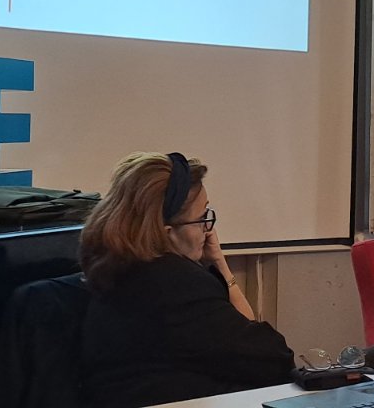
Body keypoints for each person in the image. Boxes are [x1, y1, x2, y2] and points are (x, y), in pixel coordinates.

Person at [78, 151, 293, 407]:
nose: (208, 229)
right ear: (167, 232)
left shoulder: (117, 267)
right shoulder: (175, 285)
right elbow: (273, 358)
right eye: (202, 218)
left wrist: (218, 262)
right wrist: (220, 268)